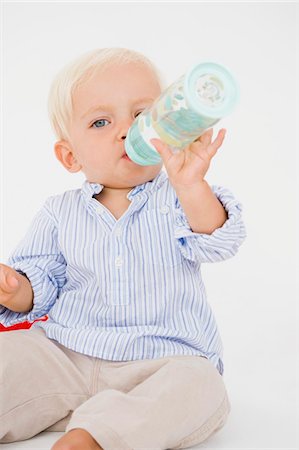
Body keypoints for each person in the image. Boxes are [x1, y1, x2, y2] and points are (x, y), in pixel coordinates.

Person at [0, 48, 246, 450]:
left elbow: (218, 240)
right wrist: (16, 289)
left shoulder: (178, 197)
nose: (125, 131)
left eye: (142, 115)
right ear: (70, 156)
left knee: (200, 385)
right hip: (66, 355)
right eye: (101, 121)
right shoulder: (59, 212)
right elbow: (40, 281)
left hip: (162, 362)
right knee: (10, 354)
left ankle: (95, 437)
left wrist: (191, 186)